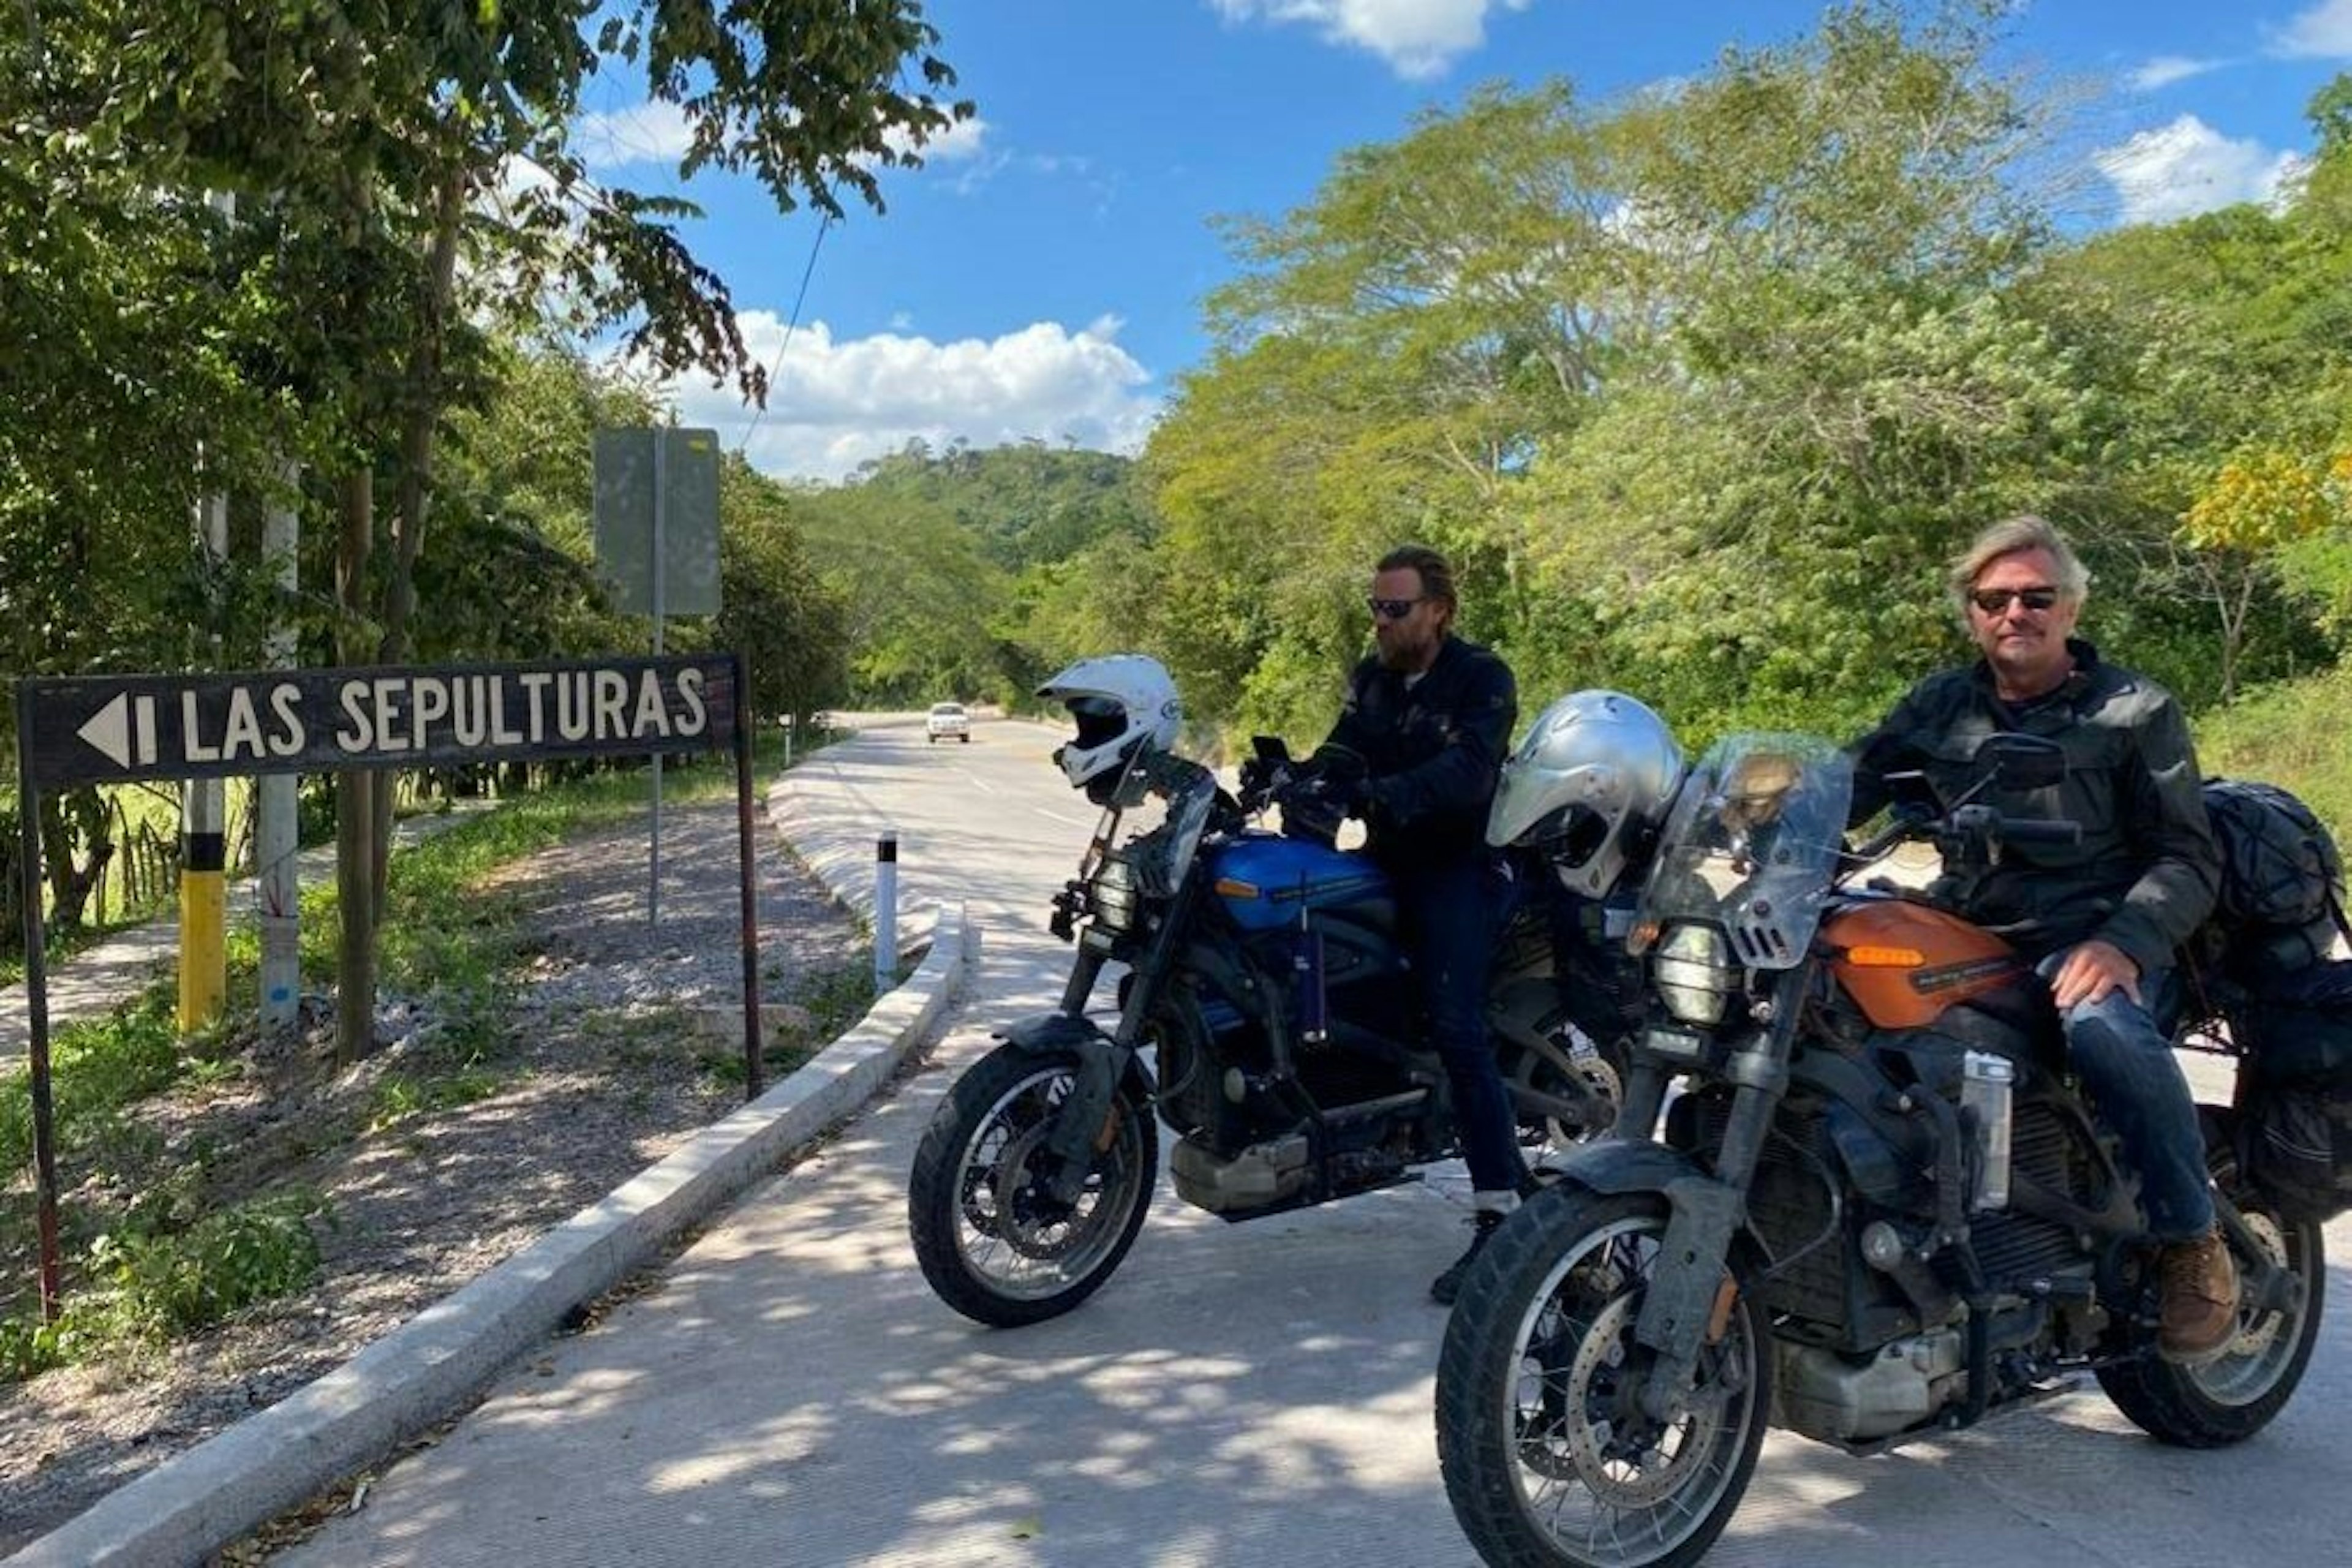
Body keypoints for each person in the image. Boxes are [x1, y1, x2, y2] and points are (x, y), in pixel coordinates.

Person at [1849, 516, 2236, 1362]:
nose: (2014, 612)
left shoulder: (2134, 710)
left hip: (2092, 932)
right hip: (1968, 925)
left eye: (2036, 595)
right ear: (1971, 613)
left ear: (2070, 607)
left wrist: (2124, 944)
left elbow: (2187, 854)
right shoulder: (1940, 706)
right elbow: (1848, 783)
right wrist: (1754, 821)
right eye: (1995, 599)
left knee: (2102, 1028)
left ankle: (2191, 1239)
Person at [1300, 544, 1522, 1305]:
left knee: (1457, 1026)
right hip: (1388, 859)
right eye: (1375, 608)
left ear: (1439, 611)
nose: (1381, 622)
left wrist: (1378, 793)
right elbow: (1341, 744)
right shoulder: (1375, 680)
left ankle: (1503, 1212)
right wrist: (1299, 777)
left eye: (1395, 609)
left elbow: (1467, 773)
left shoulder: (1481, 677)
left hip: (1459, 863)